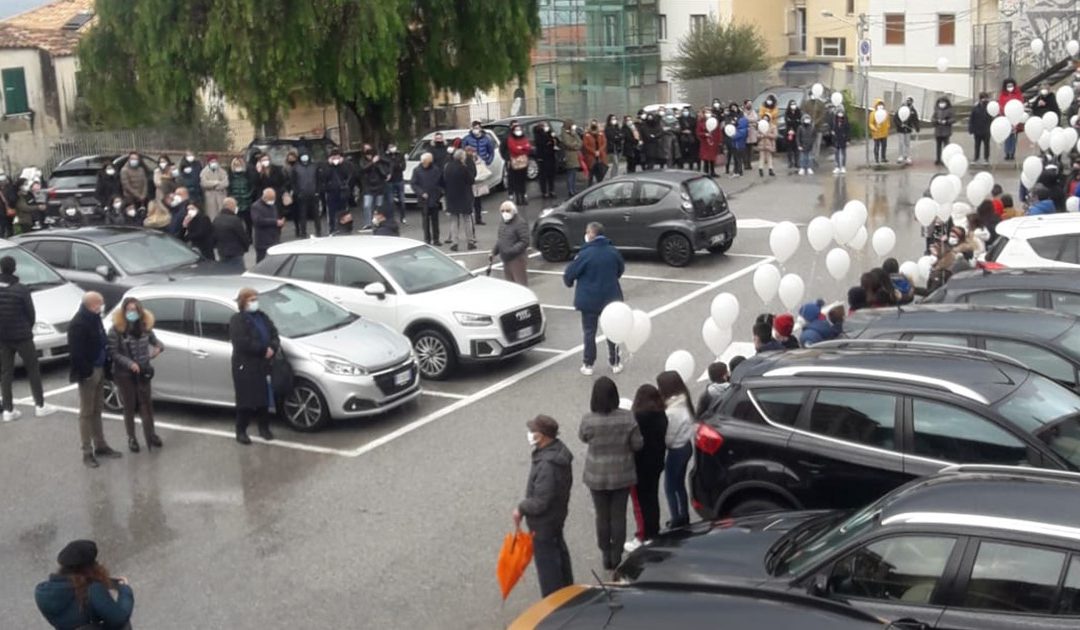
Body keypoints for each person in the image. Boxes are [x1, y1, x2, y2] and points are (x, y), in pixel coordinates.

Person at [579, 377, 643, 572]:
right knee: (618, 516)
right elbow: (638, 444)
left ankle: (605, 553)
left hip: (596, 475)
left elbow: (583, 437)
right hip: (622, 475)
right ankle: (617, 555)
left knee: (601, 516)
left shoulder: (589, 419)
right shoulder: (627, 418)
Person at [513, 414, 574, 598]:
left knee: (548, 567)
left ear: (543, 435)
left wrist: (521, 508)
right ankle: (567, 593)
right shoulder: (558, 452)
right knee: (559, 555)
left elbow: (541, 501)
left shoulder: (547, 465)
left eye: (533, 431)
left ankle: (554, 604)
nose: (530, 434)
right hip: (556, 516)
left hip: (543, 523)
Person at [68, 292, 121, 468]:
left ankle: (101, 445)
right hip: (89, 372)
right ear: (92, 305)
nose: (102, 307)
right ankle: (86, 452)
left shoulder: (94, 318)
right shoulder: (78, 324)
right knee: (86, 413)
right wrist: (87, 372)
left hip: (100, 368)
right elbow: (77, 353)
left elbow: (101, 338)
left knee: (97, 409)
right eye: (100, 304)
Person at [564, 222, 624, 376]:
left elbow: (570, 274)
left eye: (587, 232)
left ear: (592, 234)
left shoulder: (584, 254)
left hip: (589, 299)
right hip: (611, 297)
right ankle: (615, 362)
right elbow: (620, 269)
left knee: (590, 332)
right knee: (612, 330)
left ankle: (588, 363)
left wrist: (569, 282)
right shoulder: (612, 251)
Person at [0, 256, 55, 422]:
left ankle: (8, 410)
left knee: (6, 372)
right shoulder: (21, 289)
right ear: (14, 268)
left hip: (3, 337)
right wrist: (27, 327)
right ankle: (40, 405)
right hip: (22, 335)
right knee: (33, 369)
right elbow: (31, 313)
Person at [35, 540, 134, 630]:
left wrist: (110, 582)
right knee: (124, 626)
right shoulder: (92, 589)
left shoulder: (43, 592)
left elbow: (69, 587)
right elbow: (118, 619)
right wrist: (125, 590)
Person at [108, 297, 163, 453]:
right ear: (124, 311)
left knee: (147, 406)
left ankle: (151, 435)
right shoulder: (116, 330)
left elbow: (157, 342)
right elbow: (114, 353)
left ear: (140, 311)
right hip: (124, 375)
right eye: (129, 309)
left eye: (135, 309)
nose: (132, 312)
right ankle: (131, 437)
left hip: (143, 373)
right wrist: (130, 364)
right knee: (130, 407)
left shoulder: (145, 327)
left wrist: (158, 349)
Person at [230, 287, 280, 445]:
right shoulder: (238, 320)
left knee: (263, 398)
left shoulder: (262, 316)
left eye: (255, 299)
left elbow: (274, 333)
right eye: (251, 300)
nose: (255, 302)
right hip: (245, 365)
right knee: (246, 400)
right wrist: (262, 350)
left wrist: (272, 347)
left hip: (263, 364)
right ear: (243, 302)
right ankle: (241, 430)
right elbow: (242, 343)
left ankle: (264, 428)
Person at [625, 384, 667, 552]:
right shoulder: (661, 415)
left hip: (640, 466)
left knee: (641, 503)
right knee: (652, 499)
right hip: (656, 463)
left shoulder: (638, 418)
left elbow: (634, 443)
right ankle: (653, 531)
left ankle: (643, 536)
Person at [656, 370, 694, 530]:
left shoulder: (671, 412)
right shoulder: (684, 400)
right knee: (679, 484)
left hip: (676, 450)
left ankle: (675, 519)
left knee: (670, 486)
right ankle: (684, 514)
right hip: (686, 446)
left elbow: (669, 436)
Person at [443, 149, 477, 252]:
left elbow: (443, 180)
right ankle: (470, 241)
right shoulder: (463, 168)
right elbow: (471, 180)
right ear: (462, 157)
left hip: (451, 196)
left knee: (454, 220)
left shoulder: (448, 167)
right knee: (467, 219)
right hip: (464, 196)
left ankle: (454, 242)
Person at [491, 201, 530, 285]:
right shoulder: (503, 222)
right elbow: (501, 239)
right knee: (511, 284)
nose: (505, 213)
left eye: (508, 210)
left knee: (520, 284)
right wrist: (494, 252)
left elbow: (525, 241)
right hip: (506, 259)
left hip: (517, 259)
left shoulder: (520, 223)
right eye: (502, 211)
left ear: (513, 211)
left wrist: (512, 250)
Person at [411, 152, 444, 245]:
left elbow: (441, 182)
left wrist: (440, 193)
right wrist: (421, 193)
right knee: (425, 221)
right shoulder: (417, 170)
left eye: (427, 162)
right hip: (424, 200)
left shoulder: (436, 170)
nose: (425, 163)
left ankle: (436, 239)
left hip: (434, 198)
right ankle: (427, 239)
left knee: (435, 221)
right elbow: (414, 184)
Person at [321, 149, 354, 234]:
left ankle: (345, 227)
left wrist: (342, 164)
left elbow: (348, 174)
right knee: (331, 211)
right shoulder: (326, 165)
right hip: (331, 191)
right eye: (334, 157)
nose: (336, 159)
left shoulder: (346, 164)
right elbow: (324, 176)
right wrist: (329, 165)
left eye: (337, 157)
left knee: (344, 210)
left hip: (342, 191)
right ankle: (332, 228)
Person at [213, 197, 250, 271]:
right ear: (231, 206)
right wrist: (246, 247)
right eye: (235, 205)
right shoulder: (235, 220)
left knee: (226, 273)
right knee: (239, 274)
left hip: (222, 252)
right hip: (236, 252)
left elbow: (214, 236)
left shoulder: (216, 219)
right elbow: (242, 236)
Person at [290, 151, 321, 237]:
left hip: (314, 194)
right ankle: (303, 232)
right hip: (302, 195)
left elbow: (318, 180)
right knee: (302, 215)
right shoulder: (296, 168)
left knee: (316, 214)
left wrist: (318, 191)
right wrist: (297, 193)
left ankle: (318, 231)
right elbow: (293, 182)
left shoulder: (314, 166)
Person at [359, 144, 390, 228]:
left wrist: (379, 161)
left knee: (378, 206)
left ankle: (377, 221)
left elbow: (386, 166)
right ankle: (367, 223)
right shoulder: (363, 160)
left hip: (379, 186)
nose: (369, 156)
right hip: (368, 186)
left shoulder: (379, 161)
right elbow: (363, 168)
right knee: (367, 205)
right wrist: (372, 162)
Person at [251, 188, 284, 263]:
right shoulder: (256, 206)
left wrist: (280, 224)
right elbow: (257, 221)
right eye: (270, 199)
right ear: (264, 197)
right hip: (263, 242)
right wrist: (275, 222)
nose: (272, 201)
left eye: (273, 198)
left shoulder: (273, 206)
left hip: (274, 240)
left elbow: (275, 218)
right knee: (261, 263)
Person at [227, 157, 254, 237]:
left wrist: (248, 195)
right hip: (235, 202)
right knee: (236, 221)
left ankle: (249, 237)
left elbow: (252, 186)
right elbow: (229, 189)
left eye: (239, 164)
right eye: (235, 165)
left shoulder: (247, 174)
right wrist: (232, 198)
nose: (237, 166)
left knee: (248, 221)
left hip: (246, 201)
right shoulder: (230, 176)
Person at [506, 123, 532, 206]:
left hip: (524, 163)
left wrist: (521, 148)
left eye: (519, 129)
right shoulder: (510, 139)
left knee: (523, 181)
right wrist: (522, 148)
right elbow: (514, 149)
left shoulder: (524, 138)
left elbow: (528, 147)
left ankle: (523, 197)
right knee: (516, 181)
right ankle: (518, 198)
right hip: (515, 163)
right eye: (516, 130)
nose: (518, 131)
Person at [998, 78, 1023, 160]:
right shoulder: (1003, 94)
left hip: (1015, 118)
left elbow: (1020, 103)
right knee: (1007, 136)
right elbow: (1000, 105)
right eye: (1008, 85)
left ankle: (1012, 153)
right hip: (1006, 118)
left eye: (1011, 85)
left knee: (1013, 136)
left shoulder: (1017, 94)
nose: (1010, 87)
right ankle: (1007, 153)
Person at [534, 121, 558, 200]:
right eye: (545, 126)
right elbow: (542, 143)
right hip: (543, 158)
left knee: (551, 175)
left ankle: (552, 190)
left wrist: (552, 140)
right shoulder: (538, 134)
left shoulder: (550, 133)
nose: (546, 127)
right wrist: (549, 141)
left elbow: (555, 141)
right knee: (543, 176)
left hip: (551, 156)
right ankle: (544, 192)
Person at [199, 154, 229, 220]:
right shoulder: (204, 172)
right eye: (212, 161)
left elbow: (226, 183)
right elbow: (204, 183)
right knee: (211, 215)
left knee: (222, 214)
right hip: (210, 196)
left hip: (221, 195)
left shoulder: (222, 171)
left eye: (215, 161)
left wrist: (215, 186)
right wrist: (216, 182)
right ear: (208, 162)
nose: (214, 163)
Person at [384, 144, 407, 225]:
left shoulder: (400, 155)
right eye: (390, 148)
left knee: (402, 200)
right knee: (390, 201)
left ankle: (403, 217)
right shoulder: (386, 156)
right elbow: (386, 167)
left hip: (399, 180)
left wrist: (394, 164)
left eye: (393, 147)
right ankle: (391, 218)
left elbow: (403, 167)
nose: (392, 149)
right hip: (390, 181)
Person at [894, 96, 920, 165]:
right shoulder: (901, 109)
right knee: (901, 142)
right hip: (900, 129)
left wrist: (917, 128)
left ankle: (907, 156)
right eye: (907, 101)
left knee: (907, 143)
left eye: (910, 101)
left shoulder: (913, 111)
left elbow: (915, 120)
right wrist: (900, 124)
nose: (908, 102)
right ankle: (900, 156)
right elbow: (895, 118)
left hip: (908, 129)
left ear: (912, 102)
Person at [560, 121, 583, 196]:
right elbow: (568, 144)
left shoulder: (573, 133)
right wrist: (576, 145)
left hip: (575, 155)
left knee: (574, 173)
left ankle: (573, 188)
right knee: (570, 173)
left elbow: (580, 142)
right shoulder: (564, 134)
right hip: (569, 156)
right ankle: (570, 190)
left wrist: (575, 136)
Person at [969, 92, 993, 165]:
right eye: (982, 98)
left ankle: (986, 159)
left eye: (985, 98)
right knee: (977, 145)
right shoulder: (975, 108)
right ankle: (976, 158)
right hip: (977, 130)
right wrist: (971, 129)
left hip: (986, 130)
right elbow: (972, 119)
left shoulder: (990, 108)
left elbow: (992, 118)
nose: (984, 100)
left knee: (986, 145)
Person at [583, 119, 608, 185]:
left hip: (600, 157)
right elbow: (586, 145)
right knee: (591, 174)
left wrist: (599, 151)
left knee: (600, 174)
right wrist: (594, 152)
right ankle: (589, 188)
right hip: (591, 157)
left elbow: (604, 143)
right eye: (592, 124)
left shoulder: (601, 133)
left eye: (595, 124)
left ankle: (600, 187)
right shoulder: (587, 134)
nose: (594, 126)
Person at [932, 97, 954, 166]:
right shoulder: (936, 110)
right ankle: (938, 159)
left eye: (943, 102)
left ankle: (945, 159)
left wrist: (946, 121)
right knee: (938, 147)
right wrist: (936, 121)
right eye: (940, 102)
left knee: (946, 147)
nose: (942, 104)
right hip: (938, 131)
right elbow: (932, 119)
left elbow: (953, 119)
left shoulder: (950, 110)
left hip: (946, 131)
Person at [868, 99, 890, 165]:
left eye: (881, 104)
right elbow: (870, 123)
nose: (880, 106)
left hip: (884, 133)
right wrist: (874, 129)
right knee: (877, 146)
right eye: (879, 104)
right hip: (876, 133)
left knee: (884, 146)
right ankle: (876, 158)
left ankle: (883, 157)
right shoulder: (873, 113)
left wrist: (888, 126)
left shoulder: (885, 113)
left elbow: (888, 121)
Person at [784, 99, 802, 174]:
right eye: (792, 104)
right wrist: (794, 121)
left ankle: (797, 162)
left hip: (797, 131)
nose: (793, 106)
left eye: (794, 104)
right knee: (789, 148)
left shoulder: (799, 112)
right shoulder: (787, 112)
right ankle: (790, 162)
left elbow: (799, 121)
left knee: (796, 148)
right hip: (789, 131)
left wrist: (793, 121)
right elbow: (787, 121)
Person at [731, 105, 749, 177]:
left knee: (738, 159)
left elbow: (735, 137)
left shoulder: (741, 130)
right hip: (740, 146)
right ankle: (737, 171)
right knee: (738, 159)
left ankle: (739, 171)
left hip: (738, 146)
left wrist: (732, 135)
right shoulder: (744, 129)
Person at [831, 109, 850, 175]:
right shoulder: (835, 121)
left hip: (843, 139)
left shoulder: (846, 121)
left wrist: (847, 140)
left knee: (843, 154)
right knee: (836, 154)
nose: (840, 114)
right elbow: (833, 130)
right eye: (839, 113)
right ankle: (837, 166)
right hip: (836, 139)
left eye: (841, 113)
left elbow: (848, 131)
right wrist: (833, 135)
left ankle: (843, 167)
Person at [742, 100, 759, 171]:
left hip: (751, 132)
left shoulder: (753, 111)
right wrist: (751, 121)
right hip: (745, 132)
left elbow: (756, 118)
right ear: (745, 104)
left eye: (751, 104)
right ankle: (745, 164)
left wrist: (749, 121)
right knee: (745, 149)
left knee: (750, 149)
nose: (750, 105)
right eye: (748, 104)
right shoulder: (742, 112)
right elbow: (744, 119)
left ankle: (749, 163)